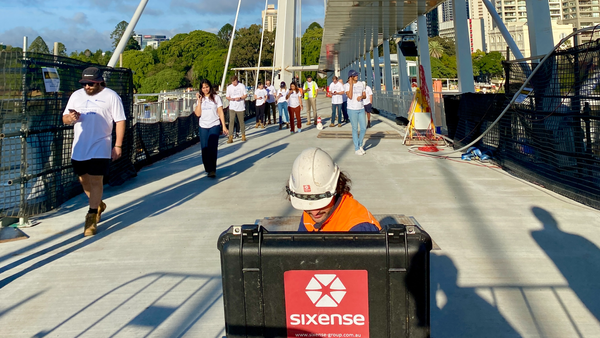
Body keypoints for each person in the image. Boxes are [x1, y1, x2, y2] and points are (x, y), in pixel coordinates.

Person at [63, 67, 126, 236]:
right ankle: (98, 203)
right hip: (80, 146)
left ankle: (91, 216)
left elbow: (120, 121)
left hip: (101, 144)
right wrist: (71, 118)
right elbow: (65, 118)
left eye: (91, 84)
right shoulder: (76, 96)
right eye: (85, 84)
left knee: (96, 179)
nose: (87, 87)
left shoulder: (111, 96)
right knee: (84, 180)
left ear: (99, 82)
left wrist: (118, 145)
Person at [286, 147, 381, 232]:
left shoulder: (358, 228)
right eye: (307, 202)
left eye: (320, 202)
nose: (314, 212)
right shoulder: (310, 209)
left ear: (337, 188)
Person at [194, 79, 228, 178]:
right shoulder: (200, 99)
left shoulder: (216, 98)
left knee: (212, 148)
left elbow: (220, 112)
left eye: (207, 87)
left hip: (214, 125)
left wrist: (224, 126)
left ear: (210, 87)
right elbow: (197, 114)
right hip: (203, 126)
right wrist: (199, 102)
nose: (205, 89)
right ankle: (208, 168)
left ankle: (212, 169)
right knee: (204, 148)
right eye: (203, 87)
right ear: (201, 89)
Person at [344, 69, 367, 155]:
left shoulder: (361, 84)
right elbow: (349, 96)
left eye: (357, 75)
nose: (357, 76)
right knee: (355, 128)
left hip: (361, 108)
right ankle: (356, 148)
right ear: (351, 77)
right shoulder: (346, 85)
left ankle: (360, 144)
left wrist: (361, 97)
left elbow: (365, 95)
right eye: (355, 75)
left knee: (363, 128)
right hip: (352, 109)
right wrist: (351, 85)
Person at [225, 76, 247, 143]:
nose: (234, 83)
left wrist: (240, 98)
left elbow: (245, 95)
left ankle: (243, 134)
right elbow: (227, 96)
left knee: (241, 121)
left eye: (235, 81)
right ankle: (230, 136)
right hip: (232, 106)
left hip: (240, 106)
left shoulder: (241, 86)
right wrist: (230, 99)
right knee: (231, 122)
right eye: (233, 82)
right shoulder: (229, 87)